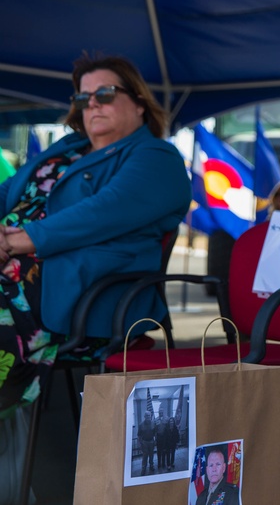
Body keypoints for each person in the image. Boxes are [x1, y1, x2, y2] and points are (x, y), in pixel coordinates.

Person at [0, 54, 191, 416]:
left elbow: (102, 212)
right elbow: (6, 193)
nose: (91, 103)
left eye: (104, 93)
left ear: (138, 103)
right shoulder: (63, 152)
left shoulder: (156, 156)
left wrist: (14, 240)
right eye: (82, 97)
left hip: (77, 293)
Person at [138, 412, 157, 476]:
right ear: (144, 416)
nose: (148, 417)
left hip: (151, 442)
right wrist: (140, 444)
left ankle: (151, 466)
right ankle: (143, 469)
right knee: (145, 457)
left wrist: (155, 441)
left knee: (151, 455)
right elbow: (139, 435)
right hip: (144, 443)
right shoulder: (141, 425)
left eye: (149, 415)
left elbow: (155, 433)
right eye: (146, 415)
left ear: (150, 416)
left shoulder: (153, 423)